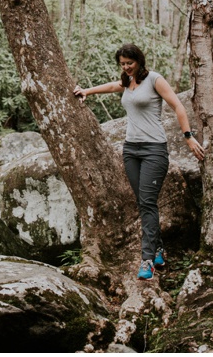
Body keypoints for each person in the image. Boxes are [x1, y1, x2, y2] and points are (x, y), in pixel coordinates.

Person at [73, 43, 204, 280]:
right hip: (131, 151)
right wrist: (87, 91)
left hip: (154, 150)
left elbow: (178, 106)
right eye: (122, 64)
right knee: (144, 203)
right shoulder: (126, 81)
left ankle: (147, 260)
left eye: (129, 63)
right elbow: (114, 85)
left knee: (147, 203)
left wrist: (188, 137)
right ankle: (158, 249)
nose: (126, 67)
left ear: (139, 61)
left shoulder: (155, 79)